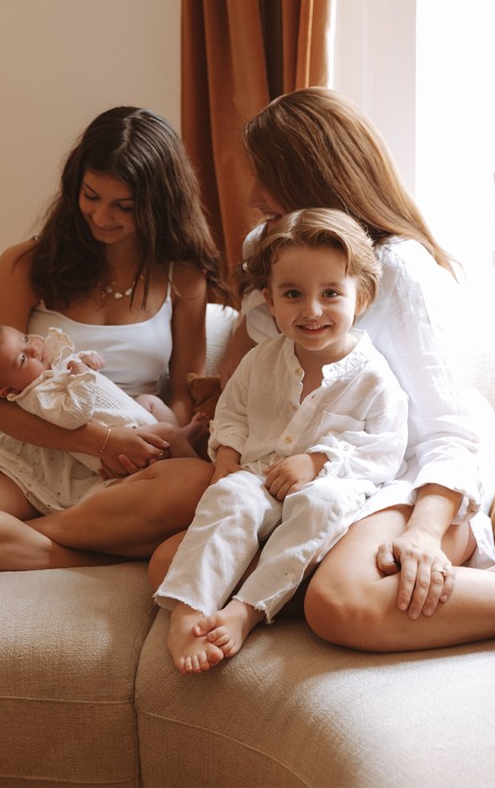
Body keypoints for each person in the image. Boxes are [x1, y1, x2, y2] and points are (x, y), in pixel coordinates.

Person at [149, 88, 495, 653]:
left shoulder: (397, 268)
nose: (254, 196)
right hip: (305, 480)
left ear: (313, 176)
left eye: (267, 178)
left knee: (339, 604)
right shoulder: (276, 248)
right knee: (168, 570)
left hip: (402, 470)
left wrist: (425, 533)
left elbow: (447, 429)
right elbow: (250, 374)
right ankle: (468, 591)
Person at [0, 106, 229, 572]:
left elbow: (181, 394)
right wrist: (100, 442)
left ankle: (15, 541)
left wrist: (150, 445)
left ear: (158, 204)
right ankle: (79, 549)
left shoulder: (182, 276)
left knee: (198, 484)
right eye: (91, 196)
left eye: (124, 206)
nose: (102, 217)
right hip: (31, 456)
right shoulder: (26, 266)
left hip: (128, 469)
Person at [155, 209, 409, 673]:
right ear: (270, 302)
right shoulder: (260, 361)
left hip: (329, 487)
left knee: (319, 506)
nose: (311, 310)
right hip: (258, 476)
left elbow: (384, 450)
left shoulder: (373, 376)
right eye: (293, 295)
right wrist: (227, 458)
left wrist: (317, 461)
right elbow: (231, 414)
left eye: (331, 293)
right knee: (229, 495)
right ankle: (189, 609)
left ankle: (245, 610)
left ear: (362, 297)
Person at [0, 322, 209, 474]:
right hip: (121, 438)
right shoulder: (38, 397)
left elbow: (74, 364)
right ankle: (202, 475)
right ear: (8, 391)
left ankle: (181, 439)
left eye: (25, 339)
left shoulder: (49, 371)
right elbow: (74, 415)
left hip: (130, 415)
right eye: (23, 358)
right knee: (166, 432)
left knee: (149, 401)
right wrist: (83, 376)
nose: (34, 348)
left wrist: (86, 359)